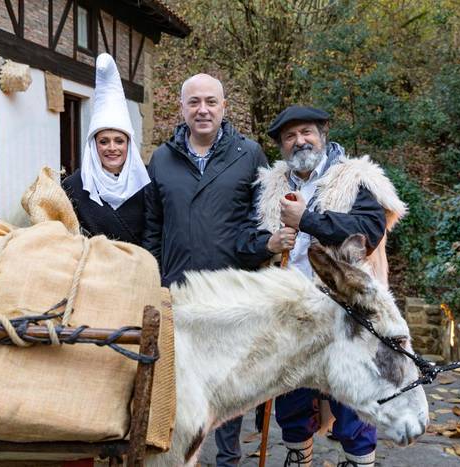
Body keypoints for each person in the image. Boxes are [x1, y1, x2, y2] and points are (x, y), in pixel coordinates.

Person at [238, 105, 407, 467]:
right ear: (281, 147)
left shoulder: (354, 178)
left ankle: (359, 461)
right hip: (292, 307)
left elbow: (369, 230)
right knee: (291, 394)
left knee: (353, 397)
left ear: (322, 135)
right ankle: (299, 457)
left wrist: (308, 220)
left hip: (345, 310)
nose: (299, 141)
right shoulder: (271, 186)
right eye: (289, 136)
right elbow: (244, 238)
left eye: (306, 133)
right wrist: (268, 244)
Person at [143, 73, 282, 466]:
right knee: (179, 381)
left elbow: (262, 226)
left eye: (211, 102)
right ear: (182, 108)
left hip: (229, 292)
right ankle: (179, 457)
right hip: (179, 291)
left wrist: (259, 257)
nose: (202, 110)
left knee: (227, 382)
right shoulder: (162, 159)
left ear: (224, 107)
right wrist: (156, 279)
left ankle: (229, 459)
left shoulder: (249, 154)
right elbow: (154, 227)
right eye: (194, 102)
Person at [63, 53, 149, 245]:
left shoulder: (148, 183)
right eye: (103, 141)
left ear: (129, 144)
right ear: (94, 146)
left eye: (119, 141)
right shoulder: (74, 186)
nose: (112, 148)